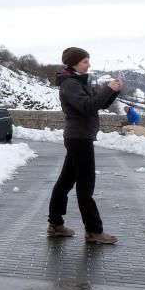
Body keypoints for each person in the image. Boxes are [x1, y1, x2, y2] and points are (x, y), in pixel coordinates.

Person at [47, 47, 121, 245]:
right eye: (85, 61)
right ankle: (93, 230)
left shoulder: (78, 81)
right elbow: (87, 106)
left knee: (64, 183)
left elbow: (98, 104)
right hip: (79, 139)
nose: (89, 64)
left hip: (79, 137)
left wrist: (112, 92)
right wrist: (108, 89)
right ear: (73, 63)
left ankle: (55, 224)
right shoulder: (70, 84)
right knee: (85, 186)